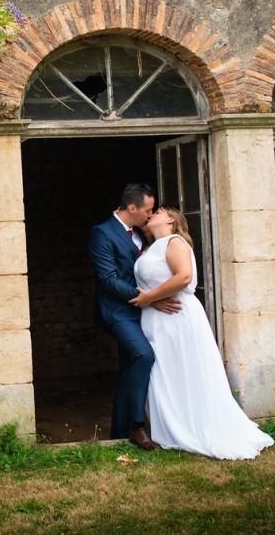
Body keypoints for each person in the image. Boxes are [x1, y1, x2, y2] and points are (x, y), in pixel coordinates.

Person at [130, 206, 275, 459]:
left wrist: (149, 298)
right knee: (167, 373)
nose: (152, 213)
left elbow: (184, 277)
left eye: (159, 211)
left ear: (171, 221)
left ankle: (195, 426)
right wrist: (151, 301)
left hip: (177, 318)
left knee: (186, 371)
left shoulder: (174, 242)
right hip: (156, 320)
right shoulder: (151, 247)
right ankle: (175, 425)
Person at [88, 183, 179, 451]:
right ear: (131, 208)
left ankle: (119, 433)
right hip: (118, 312)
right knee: (144, 355)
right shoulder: (101, 233)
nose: (150, 215)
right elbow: (108, 279)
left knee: (130, 369)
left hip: (146, 311)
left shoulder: (144, 233)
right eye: (148, 210)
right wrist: (149, 298)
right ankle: (137, 426)